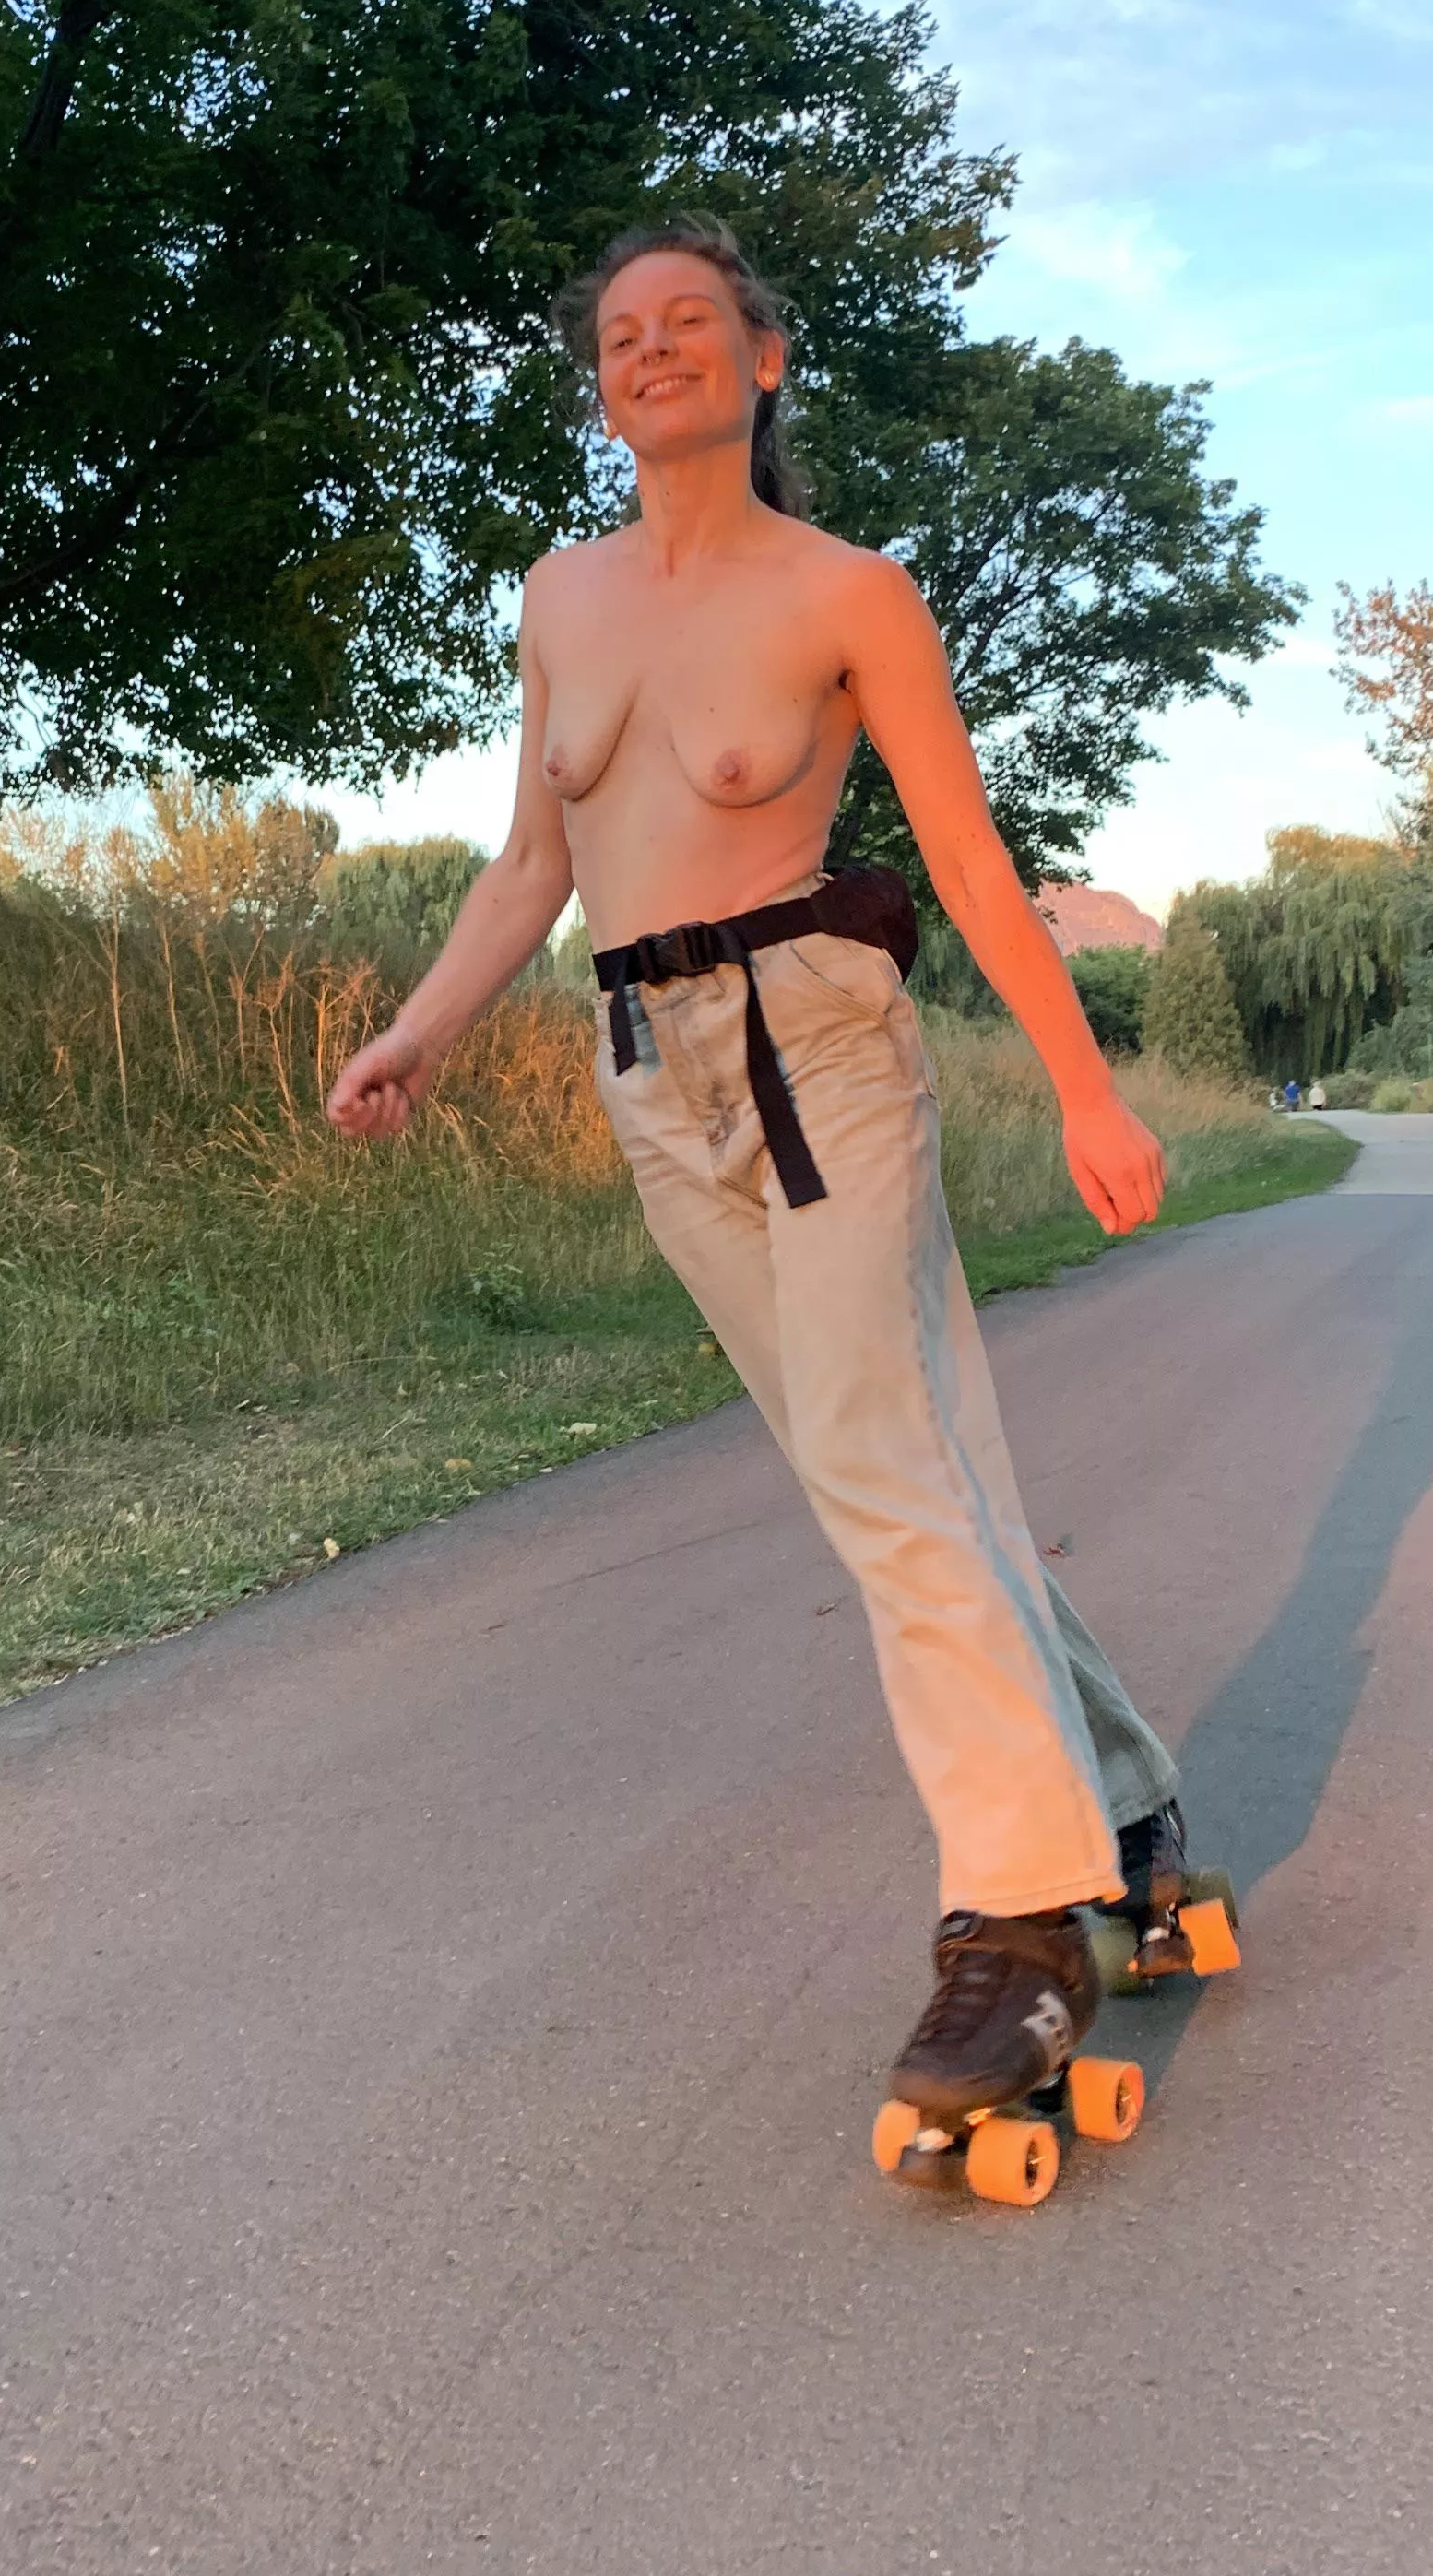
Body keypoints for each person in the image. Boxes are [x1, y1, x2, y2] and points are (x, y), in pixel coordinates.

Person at [328, 219, 1205, 2133]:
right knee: (880, 1477)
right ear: (603, 382)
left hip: (818, 1056)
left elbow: (969, 862)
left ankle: (1019, 1925)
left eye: (690, 325)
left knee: (891, 1475)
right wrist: (421, 1028)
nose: (651, 352)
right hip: (651, 1076)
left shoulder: (849, 592)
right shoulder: (559, 597)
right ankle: (1121, 1800)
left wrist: (1086, 1090)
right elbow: (530, 869)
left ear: (764, 361)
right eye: (621, 336)